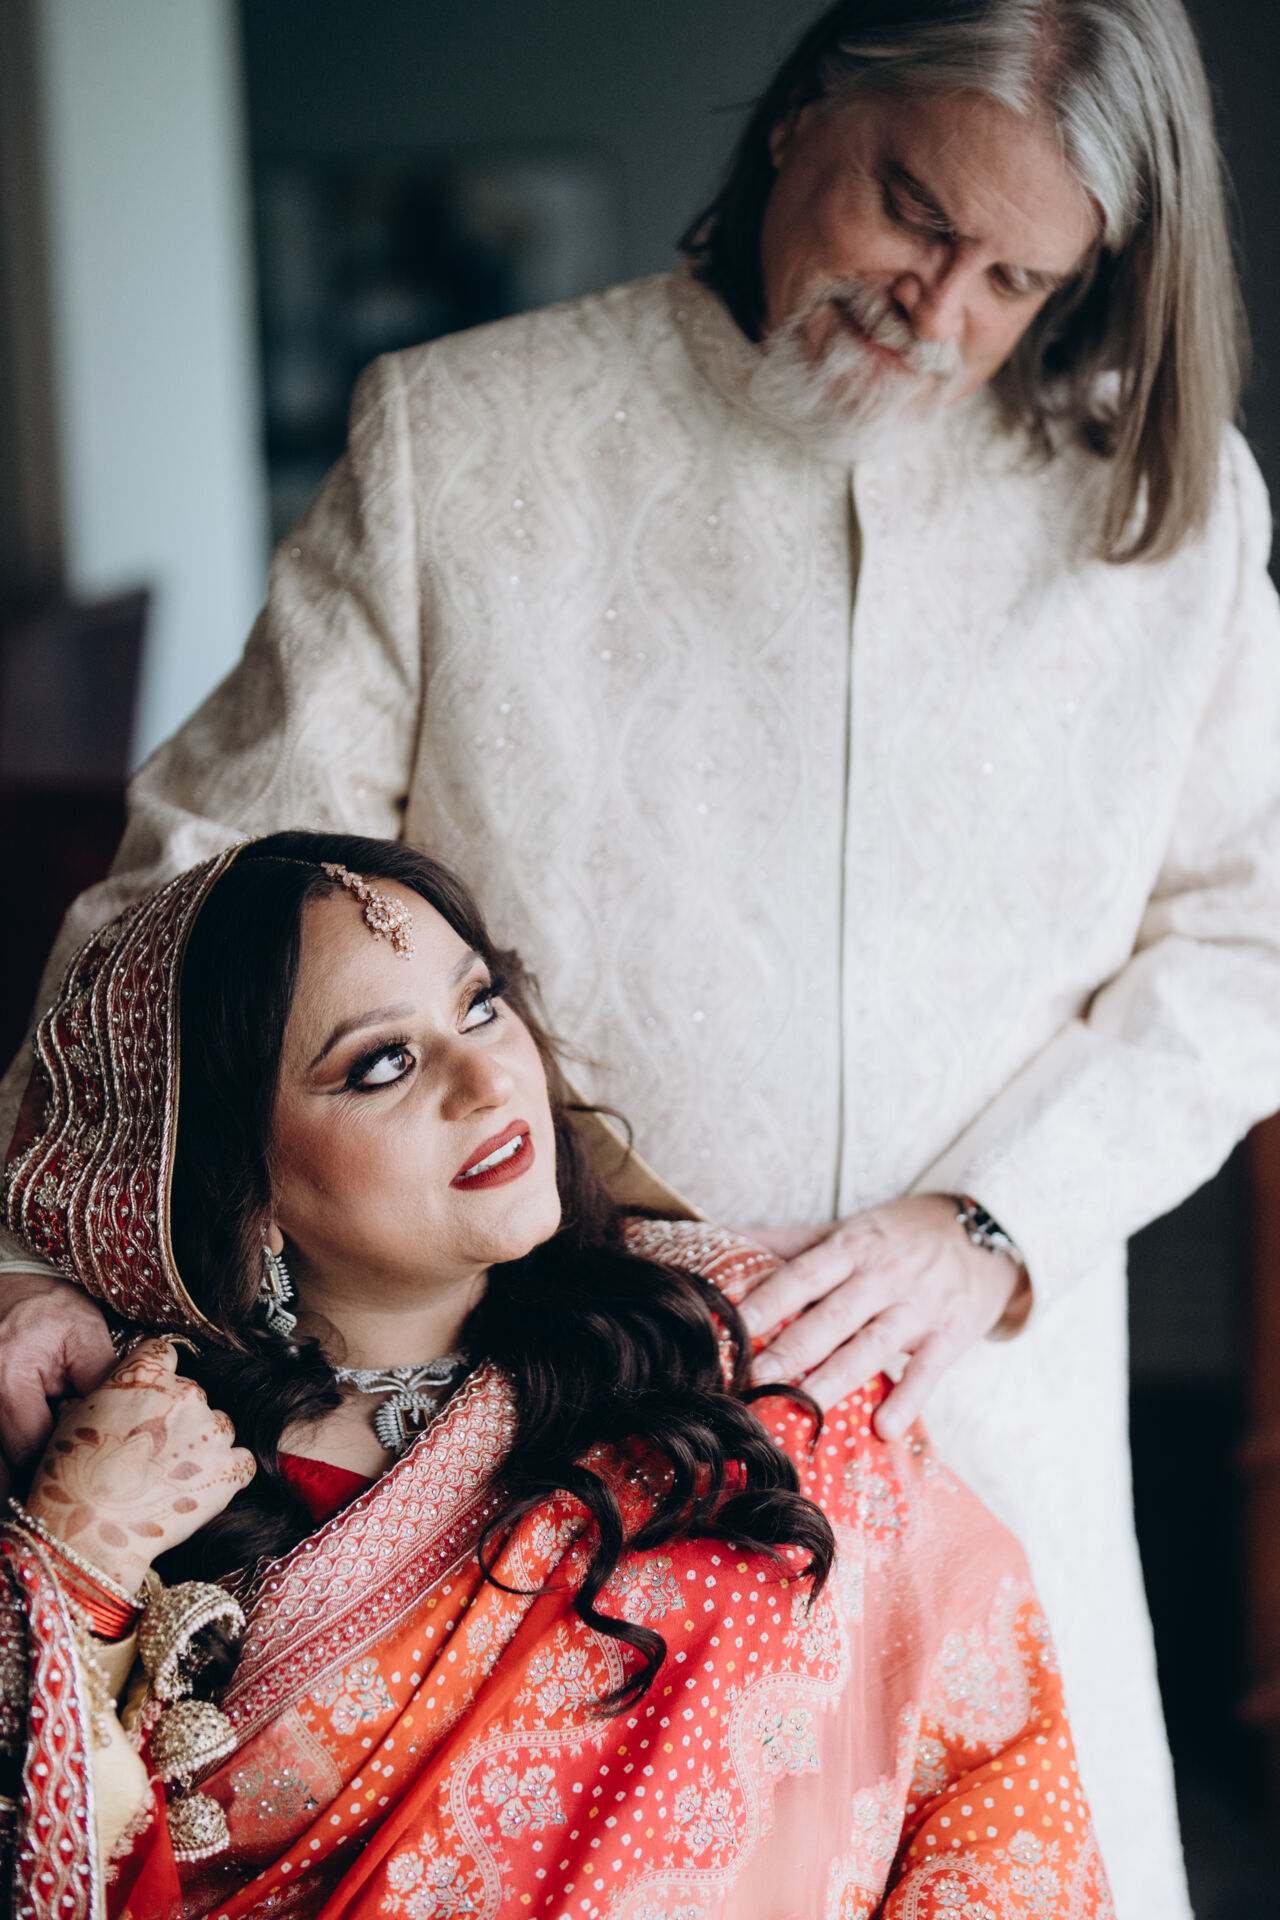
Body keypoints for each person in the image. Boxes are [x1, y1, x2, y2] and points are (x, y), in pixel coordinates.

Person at [0, 1, 1275, 1909]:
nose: (941, 309)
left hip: (983, 1416)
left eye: (1019, 279)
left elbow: (1250, 933)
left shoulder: (1164, 512)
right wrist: (37, 1254)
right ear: (803, 115)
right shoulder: (462, 435)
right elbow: (182, 913)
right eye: (913, 213)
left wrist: (997, 1222)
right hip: (549, 1483)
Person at [0, 833, 1112, 1918]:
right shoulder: (132, 1469)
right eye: (383, 1063)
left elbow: (994, 1759)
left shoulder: (739, 1349)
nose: (489, 1077)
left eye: (480, 1004)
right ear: (239, 1184)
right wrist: (75, 1575)